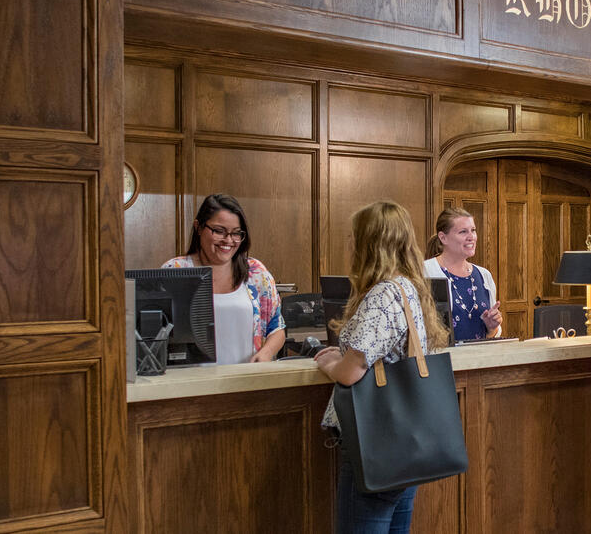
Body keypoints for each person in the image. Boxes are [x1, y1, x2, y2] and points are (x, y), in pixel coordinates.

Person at [315, 200, 450, 534]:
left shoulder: (382, 294)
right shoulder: (408, 287)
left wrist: (330, 361)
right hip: (406, 440)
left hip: (376, 439)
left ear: (368, 242)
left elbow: (351, 371)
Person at [162, 194, 285, 364]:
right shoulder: (175, 271)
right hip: (193, 384)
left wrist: (266, 352)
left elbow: (277, 328)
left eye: (236, 233)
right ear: (198, 227)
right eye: (219, 231)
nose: (228, 240)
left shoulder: (256, 273)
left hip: (248, 381)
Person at [424, 207, 502, 340]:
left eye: (473, 230)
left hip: (480, 359)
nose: (471, 237)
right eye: (463, 232)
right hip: (442, 359)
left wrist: (492, 327)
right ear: (443, 238)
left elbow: (492, 334)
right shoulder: (424, 272)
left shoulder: (484, 275)